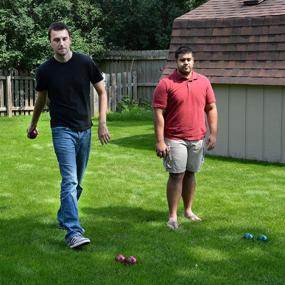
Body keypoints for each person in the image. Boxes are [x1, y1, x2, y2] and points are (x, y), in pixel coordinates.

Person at [27, 22, 110, 248]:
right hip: (61, 129)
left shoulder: (85, 62)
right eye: (56, 40)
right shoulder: (45, 70)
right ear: (50, 42)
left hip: (85, 129)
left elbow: (102, 92)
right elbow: (40, 100)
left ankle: (64, 216)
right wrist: (32, 124)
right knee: (70, 180)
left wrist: (102, 123)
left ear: (70, 39)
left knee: (77, 182)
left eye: (64, 38)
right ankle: (73, 231)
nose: (61, 43)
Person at [152, 46, 218, 230]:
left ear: (193, 61)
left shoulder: (203, 82)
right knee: (176, 175)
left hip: (197, 137)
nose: (186, 63)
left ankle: (188, 210)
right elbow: (158, 113)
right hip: (174, 138)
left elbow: (211, 108)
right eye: (182, 60)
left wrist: (212, 134)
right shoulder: (166, 84)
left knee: (191, 174)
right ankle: (172, 216)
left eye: (189, 59)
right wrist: (160, 140)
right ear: (177, 62)